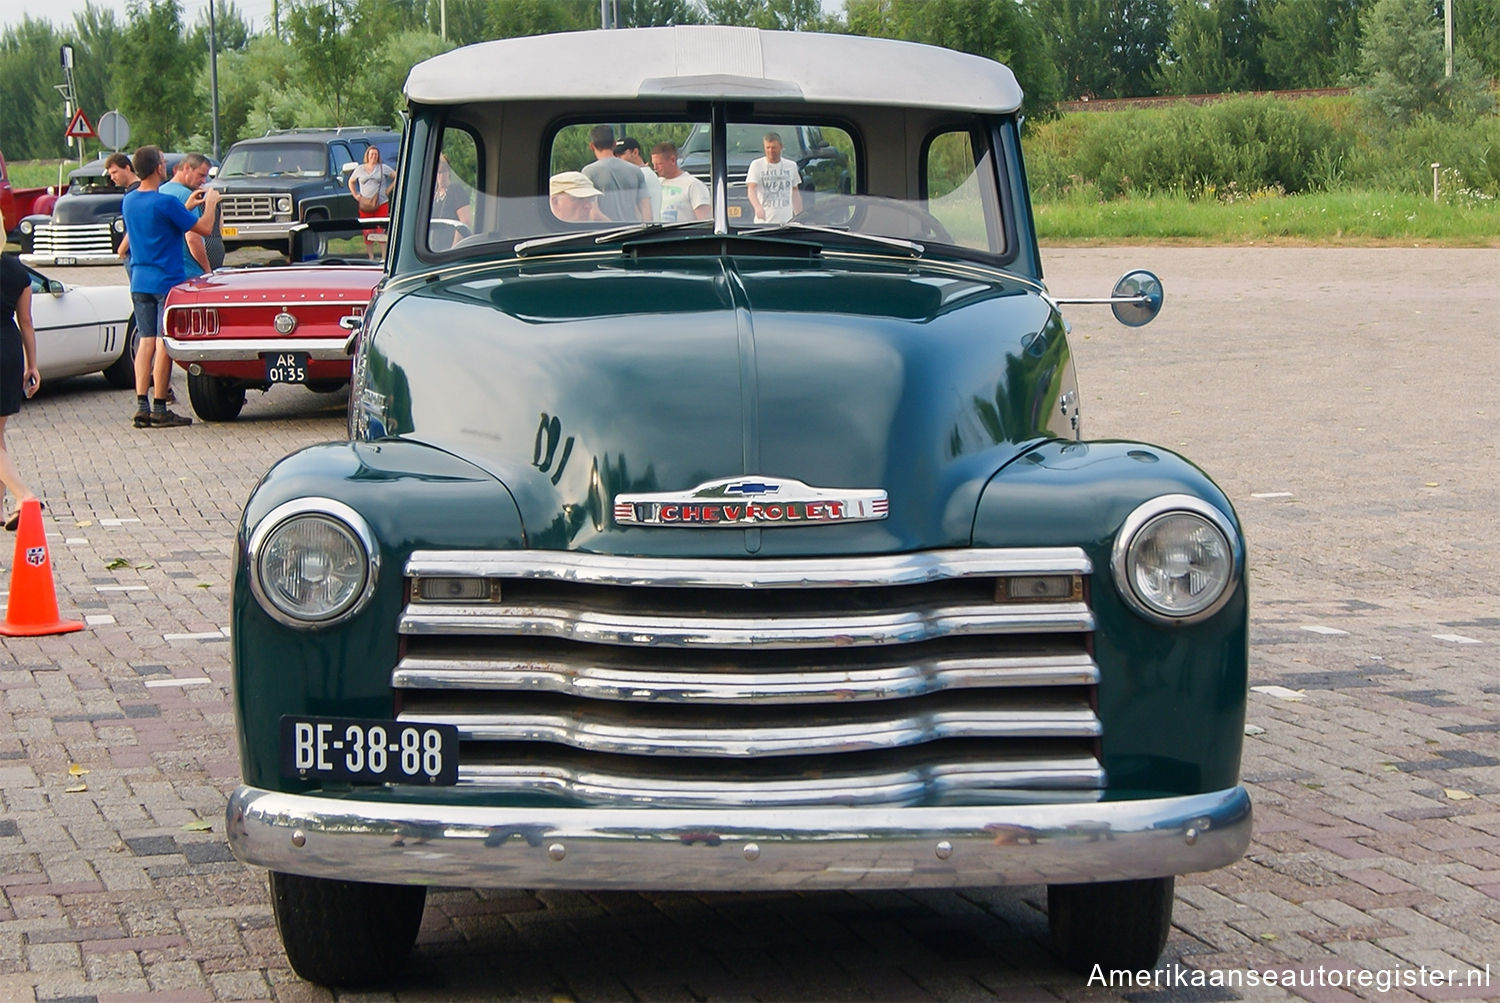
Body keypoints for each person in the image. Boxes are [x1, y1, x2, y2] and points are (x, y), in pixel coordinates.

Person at [120, 145, 220, 429]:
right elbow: (202, 227)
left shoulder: (130, 201)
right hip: (167, 280)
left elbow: (159, 224)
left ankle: (141, 403)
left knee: (146, 341)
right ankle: (160, 405)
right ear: (159, 168)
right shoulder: (165, 202)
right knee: (164, 342)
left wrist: (184, 207)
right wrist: (209, 202)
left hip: (140, 279)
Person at [0, 252, 41, 531]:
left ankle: (24, 496)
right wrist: (33, 364)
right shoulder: (16, 269)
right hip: (9, 349)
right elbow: (26, 320)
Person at [159, 153, 215, 279]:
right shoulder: (186, 195)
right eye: (201, 175)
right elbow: (193, 238)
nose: (203, 181)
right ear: (187, 168)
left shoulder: (161, 191)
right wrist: (207, 269)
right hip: (189, 272)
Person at [580, 125, 649, 223]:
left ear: (592, 146)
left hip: (605, 234)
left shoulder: (588, 172)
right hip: (633, 233)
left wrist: (616, 229)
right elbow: (646, 209)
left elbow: (594, 213)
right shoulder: (635, 170)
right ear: (614, 144)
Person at [746, 131, 802, 224]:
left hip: (786, 221)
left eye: (774, 148)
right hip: (764, 222)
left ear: (781, 146)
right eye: (768, 148)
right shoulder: (756, 165)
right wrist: (757, 207)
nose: (770, 151)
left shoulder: (791, 166)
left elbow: (795, 192)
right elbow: (751, 190)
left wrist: (799, 215)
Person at [349, 146, 396, 258]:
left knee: (381, 230)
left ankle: (384, 257)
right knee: (367, 231)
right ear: (367, 156)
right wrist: (356, 195)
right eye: (371, 154)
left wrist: (388, 190)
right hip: (365, 205)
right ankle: (371, 257)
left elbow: (396, 176)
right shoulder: (360, 169)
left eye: (376, 154)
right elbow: (351, 181)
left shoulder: (382, 168)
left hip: (381, 203)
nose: (373, 156)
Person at [651, 142, 711, 222]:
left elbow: (704, 221)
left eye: (659, 164)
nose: (655, 168)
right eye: (653, 164)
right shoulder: (657, 184)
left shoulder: (694, 185)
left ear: (672, 160)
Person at [430, 153, 472, 250]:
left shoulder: (456, 191)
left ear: (449, 172)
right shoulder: (434, 193)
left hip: (451, 248)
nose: (440, 176)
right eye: (438, 173)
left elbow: (465, 222)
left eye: (443, 172)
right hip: (434, 247)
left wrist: (454, 247)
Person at [616, 137, 661, 221]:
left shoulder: (641, 175)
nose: (618, 158)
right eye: (616, 155)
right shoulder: (648, 173)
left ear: (635, 152)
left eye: (621, 154)